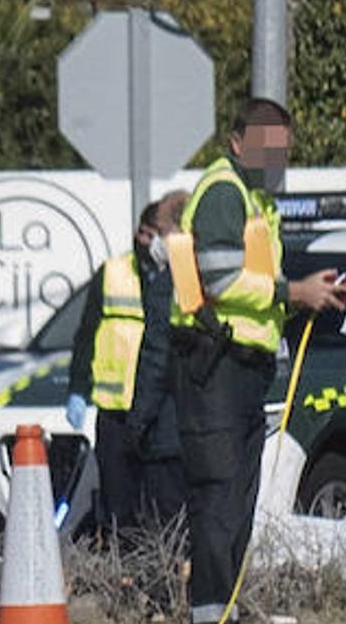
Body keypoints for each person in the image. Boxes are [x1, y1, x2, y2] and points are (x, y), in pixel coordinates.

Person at [167, 99, 346, 624]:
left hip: (243, 369)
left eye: (282, 150)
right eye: (267, 147)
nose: (275, 159)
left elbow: (257, 292)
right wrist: (294, 291)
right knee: (220, 498)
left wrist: (313, 298)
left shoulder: (254, 200)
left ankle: (224, 610)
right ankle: (212, 614)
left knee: (237, 501)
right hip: (214, 366)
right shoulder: (225, 192)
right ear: (238, 141)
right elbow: (221, 281)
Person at [65, 201, 165, 530]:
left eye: (156, 236)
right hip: (115, 413)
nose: (149, 244)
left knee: (154, 507)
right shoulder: (113, 273)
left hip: (156, 413)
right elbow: (86, 336)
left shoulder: (177, 277)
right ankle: (120, 575)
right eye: (145, 235)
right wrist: (78, 390)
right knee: (117, 506)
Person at [126, 189, 190, 526]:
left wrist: (137, 422)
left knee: (165, 532)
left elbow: (157, 356)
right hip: (206, 430)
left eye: (161, 232)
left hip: (168, 429)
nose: (155, 242)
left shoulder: (171, 281)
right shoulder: (209, 277)